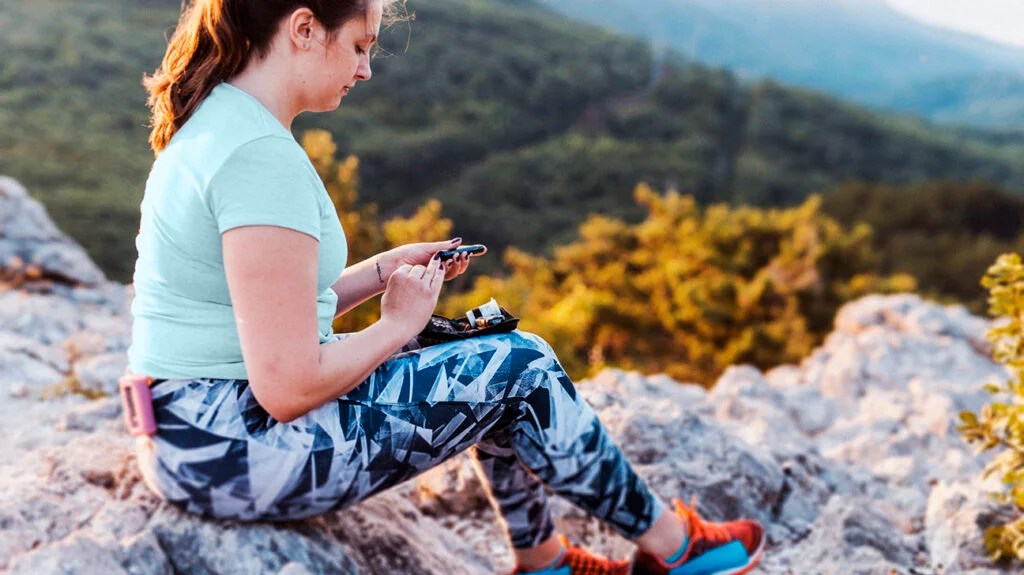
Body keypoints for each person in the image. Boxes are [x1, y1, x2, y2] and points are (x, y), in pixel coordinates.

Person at [128, 1, 766, 573]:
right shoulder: (258, 157)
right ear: (303, 28)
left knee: (487, 363)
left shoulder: (219, 123)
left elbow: (266, 306)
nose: (366, 69)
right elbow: (289, 384)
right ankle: (676, 547)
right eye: (359, 45)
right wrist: (397, 327)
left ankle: (543, 559)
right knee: (521, 366)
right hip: (230, 447)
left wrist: (385, 273)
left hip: (196, 436)